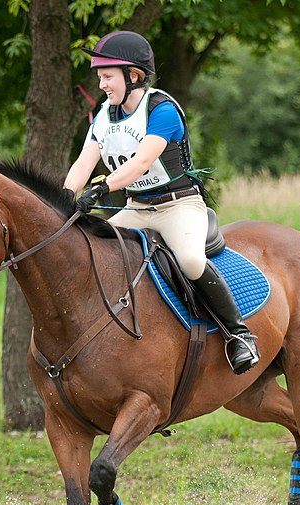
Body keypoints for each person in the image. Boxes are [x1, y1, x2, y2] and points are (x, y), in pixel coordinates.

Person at [63, 31, 259, 375]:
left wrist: (102, 188)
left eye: (107, 76)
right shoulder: (104, 115)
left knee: (189, 259)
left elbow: (141, 162)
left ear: (132, 75)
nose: (102, 84)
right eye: (99, 77)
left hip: (178, 206)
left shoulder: (162, 110)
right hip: (137, 208)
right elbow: (84, 161)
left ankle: (238, 334)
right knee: (90, 252)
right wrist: (66, 195)